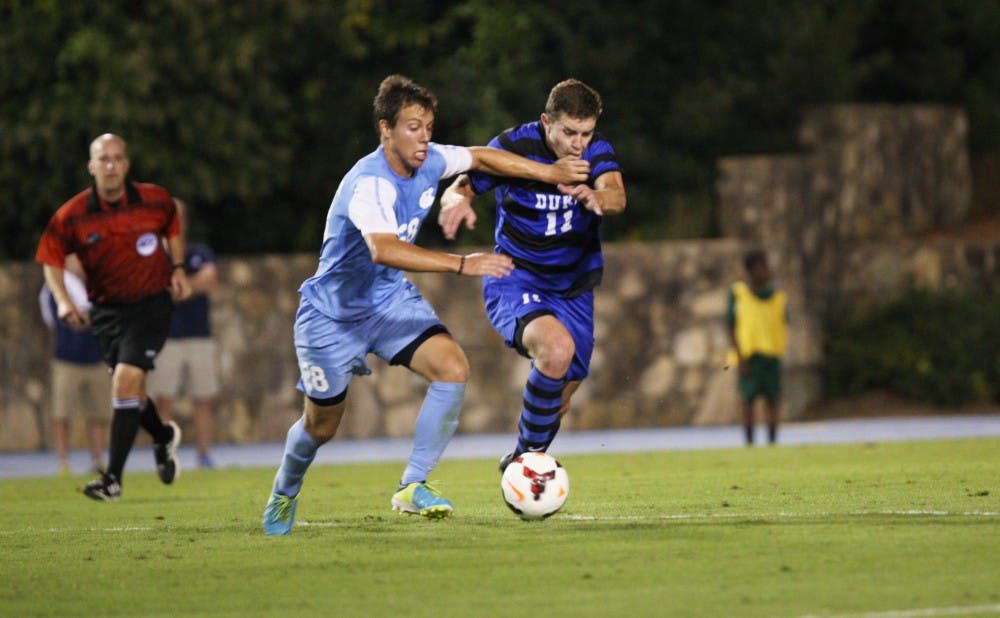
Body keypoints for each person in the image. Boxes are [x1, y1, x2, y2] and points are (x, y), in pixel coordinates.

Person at [261, 74, 590, 535]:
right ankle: (284, 490)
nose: (424, 137)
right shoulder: (371, 184)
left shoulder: (431, 161)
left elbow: (480, 157)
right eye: (413, 127)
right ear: (385, 129)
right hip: (331, 317)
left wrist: (550, 173)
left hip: (388, 301)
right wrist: (462, 264)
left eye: (429, 126)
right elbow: (384, 250)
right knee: (320, 427)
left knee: (453, 368)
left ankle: (412, 485)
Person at [439, 78, 626, 471]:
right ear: (546, 122)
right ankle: (528, 466)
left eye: (586, 133)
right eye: (569, 132)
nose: (579, 143)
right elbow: (464, 182)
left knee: (560, 394)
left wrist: (599, 198)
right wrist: (455, 200)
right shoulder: (513, 148)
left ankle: (522, 458)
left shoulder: (596, 151)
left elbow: (616, 194)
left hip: (573, 286)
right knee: (556, 350)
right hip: (516, 276)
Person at [35, 133, 191, 501]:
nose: (111, 165)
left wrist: (179, 268)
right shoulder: (73, 214)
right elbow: (50, 260)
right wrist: (61, 300)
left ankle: (112, 480)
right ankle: (163, 435)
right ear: (91, 166)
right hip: (106, 312)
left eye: (118, 158)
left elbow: (172, 227)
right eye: (103, 159)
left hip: (151, 305)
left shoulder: (155, 199)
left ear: (127, 165)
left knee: (123, 383)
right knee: (132, 395)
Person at [148, 198, 221, 469]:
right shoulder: (153, 258)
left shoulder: (199, 251)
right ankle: (165, 457)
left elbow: (211, 280)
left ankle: (204, 455)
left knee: (203, 399)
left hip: (199, 337)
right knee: (164, 399)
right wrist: (191, 285)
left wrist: (178, 286)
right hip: (167, 338)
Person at [38, 255, 110, 476]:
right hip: (66, 360)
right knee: (62, 414)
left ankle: (98, 461)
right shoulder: (56, 287)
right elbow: (71, 319)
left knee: (98, 414)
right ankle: (63, 463)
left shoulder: (97, 284)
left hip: (96, 359)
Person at [726, 249, 789, 445]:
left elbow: (784, 323)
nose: (768, 270)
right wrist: (739, 355)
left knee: (773, 400)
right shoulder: (739, 293)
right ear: (753, 269)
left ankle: (772, 442)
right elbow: (730, 325)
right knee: (748, 401)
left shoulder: (778, 295)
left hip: (771, 355)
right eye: (764, 266)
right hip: (749, 355)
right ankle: (749, 444)